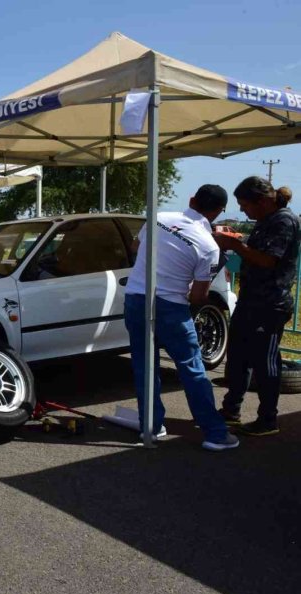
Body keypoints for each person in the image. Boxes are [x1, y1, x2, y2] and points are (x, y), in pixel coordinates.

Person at [124, 184, 238, 451]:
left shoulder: (159, 218)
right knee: (191, 368)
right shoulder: (209, 247)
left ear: (191, 199)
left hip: (135, 298)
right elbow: (198, 297)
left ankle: (150, 427)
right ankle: (215, 434)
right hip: (171, 307)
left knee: (144, 365)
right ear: (219, 212)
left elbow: (134, 247)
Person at [216, 176, 301, 436]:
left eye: (244, 204)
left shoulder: (284, 221)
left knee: (265, 363)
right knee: (239, 356)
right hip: (251, 300)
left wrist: (235, 245)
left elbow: (268, 260)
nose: (241, 210)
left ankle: (268, 419)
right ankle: (231, 409)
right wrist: (239, 241)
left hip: (269, 303)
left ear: (262, 201)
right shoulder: (266, 220)